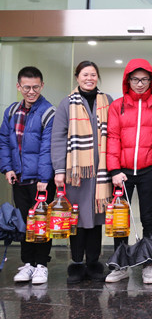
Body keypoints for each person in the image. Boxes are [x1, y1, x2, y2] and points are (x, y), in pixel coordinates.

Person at [51, 61, 113, 283]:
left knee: (96, 217)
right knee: (76, 217)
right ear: (77, 77)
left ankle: (94, 262)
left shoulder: (107, 100)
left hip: (101, 172)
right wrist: (59, 170)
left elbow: (114, 134)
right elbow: (58, 137)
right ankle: (77, 262)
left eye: (93, 74)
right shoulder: (67, 103)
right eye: (85, 74)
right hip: (76, 172)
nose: (89, 78)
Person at [105, 59, 152, 284]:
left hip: (149, 170)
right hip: (122, 172)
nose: (140, 84)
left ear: (151, 81)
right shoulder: (117, 105)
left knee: (148, 217)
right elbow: (112, 138)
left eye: (144, 79)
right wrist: (114, 170)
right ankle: (120, 265)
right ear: (127, 81)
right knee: (120, 219)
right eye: (135, 79)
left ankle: (149, 264)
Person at [0, 66, 56, 285]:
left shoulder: (48, 112)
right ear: (18, 87)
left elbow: (47, 148)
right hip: (19, 178)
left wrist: (44, 178)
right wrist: (8, 168)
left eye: (35, 87)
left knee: (41, 222)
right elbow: (4, 141)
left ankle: (41, 265)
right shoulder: (11, 111)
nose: (31, 91)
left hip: (41, 180)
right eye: (26, 87)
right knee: (24, 222)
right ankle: (28, 264)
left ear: (42, 86)